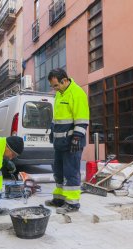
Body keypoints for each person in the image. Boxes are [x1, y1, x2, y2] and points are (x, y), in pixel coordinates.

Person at [45, 68, 89, 214]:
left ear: (64, 80)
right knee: (58, 171)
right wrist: (52, 130)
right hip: (60, 142)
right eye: (52, 86)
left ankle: (72, 203)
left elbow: (82, 119)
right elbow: (57, 117)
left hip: (72, 143)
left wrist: (77, 138)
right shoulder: (59, 94)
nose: (54, 89)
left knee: (71, 172)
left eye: (56, 85)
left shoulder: (77, 93)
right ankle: (59, 199)